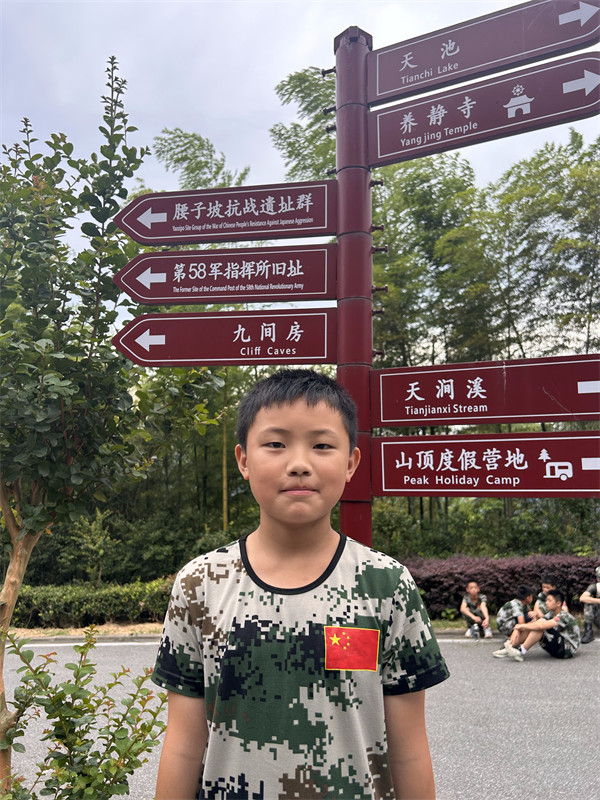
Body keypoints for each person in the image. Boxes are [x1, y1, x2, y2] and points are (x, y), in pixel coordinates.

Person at [151, 369, 449, 800]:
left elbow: (409, 753)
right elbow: (182, 747)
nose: (299, 464)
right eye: (275, 444)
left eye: (322, 445)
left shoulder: (387, 585)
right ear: (243, 460)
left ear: (351, 463)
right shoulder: (200, 584)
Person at [493, 589, 580, 662]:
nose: (546, 603)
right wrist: (517, 628)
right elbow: (537, 622)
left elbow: (542, 625)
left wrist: (521, 626)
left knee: (539, 628)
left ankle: (520, 651)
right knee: (533, 625)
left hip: (566, 650)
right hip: (557, 645)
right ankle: (510, 646)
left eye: (549, 601)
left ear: (558, 603)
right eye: (546, 600)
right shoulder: (550, 614)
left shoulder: (564, 616)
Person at [580, 564, 600, 644]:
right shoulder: (595, 587)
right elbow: (582, 598)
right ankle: (588, 632)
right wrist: (598, 601)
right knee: (589, 603)